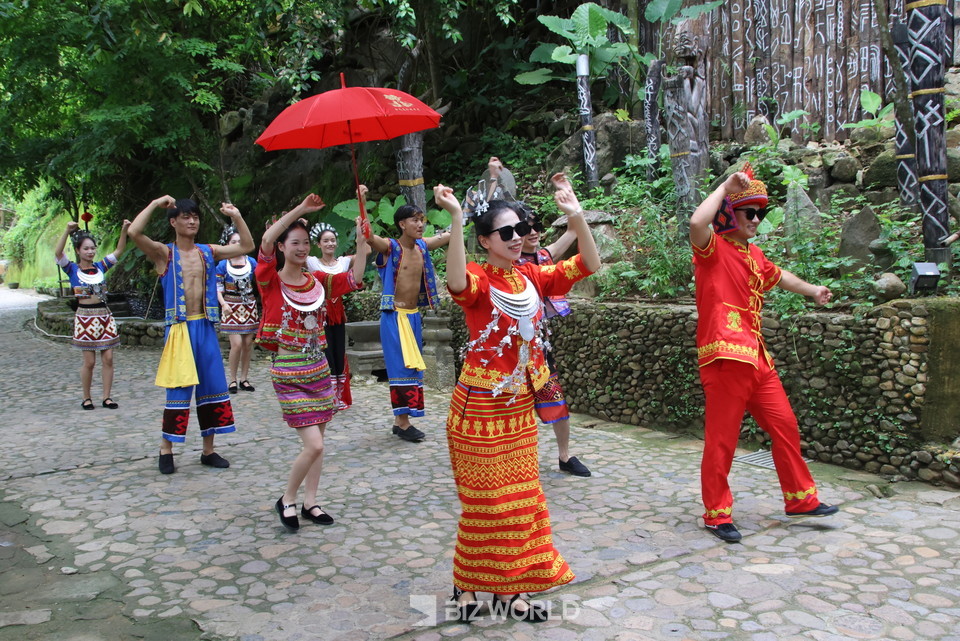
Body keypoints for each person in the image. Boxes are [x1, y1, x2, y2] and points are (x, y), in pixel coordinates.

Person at [434, 173, 600, 623]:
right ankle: (467, 581)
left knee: (522, 502)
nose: (516, 237)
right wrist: (454, 220)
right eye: (504, 232)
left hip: (518, 410)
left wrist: (576, 215)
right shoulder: (478, 279)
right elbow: (454, 282)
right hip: (479, 409)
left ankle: (512, 589)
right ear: (485, 241)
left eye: (519, 230)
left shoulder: (532, 275)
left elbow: (589, 263)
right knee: (486, 503)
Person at [689, 165, 840, 543]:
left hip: (757, 359)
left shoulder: (754, 254)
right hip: (725, 357)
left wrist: (812, 290)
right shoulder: (712, 250)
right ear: (729, 214)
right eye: (749, 213)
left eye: (761, 213)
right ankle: (717, 513)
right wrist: (724, 186)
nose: (757, 219)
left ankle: (800, 499)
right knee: (722, 439)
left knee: (785, 425)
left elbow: (781, 276)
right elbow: (695, 222)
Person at [255, 195, 369, 531]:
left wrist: (362, 244)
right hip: (288, 372)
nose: (302, 248)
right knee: (314, 443)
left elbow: (354, 279)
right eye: (295, 243)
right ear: (282, 247)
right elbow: (264, 241)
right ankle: (287, 499)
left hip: (318, 370)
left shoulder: (317, 282)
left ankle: (311, 502)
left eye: (306, 242)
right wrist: (303, 211)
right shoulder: (270, 280)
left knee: (318, 443)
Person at [128, 197, 254, 475]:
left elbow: (247, 246)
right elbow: (134, 233)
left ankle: (208, 450)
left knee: (212, 387)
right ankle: (166, 449)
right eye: (185, 217)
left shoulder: (207, 252)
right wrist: (152, 204)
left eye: (195, 216)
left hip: (206, 326)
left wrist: (236, 215)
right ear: (173, 221)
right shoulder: (165, 253)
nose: (192, 221)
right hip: (180, 329)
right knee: (179, 390)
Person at [362, 185, 451, 442]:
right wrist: (362, 199)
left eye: (422, 220)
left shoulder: (422, 247)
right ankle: (402, 423)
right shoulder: (390, 248)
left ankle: (401, 419)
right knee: (401, 367)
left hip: (413, 315)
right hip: (394, 316)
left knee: (413, 369)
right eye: (415, 220)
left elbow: (449, 234)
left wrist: (458, 209)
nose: (420, 224)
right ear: (402, 224)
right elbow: (369, 236)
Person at [515, 184, 592, 477]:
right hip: (512, 346)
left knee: (555, 395)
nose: (533, 233)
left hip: (541, 345)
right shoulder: (505, 266)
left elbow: (573, 232)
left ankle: (564, 455)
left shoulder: (545, 256)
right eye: (526, 228)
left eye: (536, 227)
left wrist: (568, 195)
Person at [54, 219, 131, 410]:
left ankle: (107, 397)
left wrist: (124, 230)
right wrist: (66, 230)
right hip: (85, 317)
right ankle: (86, 397)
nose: (90, 251)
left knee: (109, 358)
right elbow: (58, 253)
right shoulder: (71, 269)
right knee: (89, 361)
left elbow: (119, 251)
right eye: (86, 248)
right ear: (78, 251)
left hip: (104, 316)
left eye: (92, 248)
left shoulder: (101, 267)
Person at [306, 222, 354, 410]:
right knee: (325, 352)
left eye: (333, 240)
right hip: (320, 313)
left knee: (338, 351)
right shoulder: (312, 263)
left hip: (338, 313)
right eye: (325, 241)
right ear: (318, 244)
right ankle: (326, 395)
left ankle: (339, 395)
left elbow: (365, 251)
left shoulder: (343, 262)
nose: (330, 244)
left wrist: (361, 231)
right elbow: (291, 256)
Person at [216, 227, 259, 394]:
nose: (236, 245)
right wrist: (223, 304)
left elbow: (260, 280)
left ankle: (244, 378)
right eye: (233, 242)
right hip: (230, 306)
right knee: (236, 344)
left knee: (248, 343)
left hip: (249, 305)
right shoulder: (222, 264)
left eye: (239, 242)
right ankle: (232, 379)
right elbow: (217, 287)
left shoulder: (252, 263)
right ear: (227, 244)